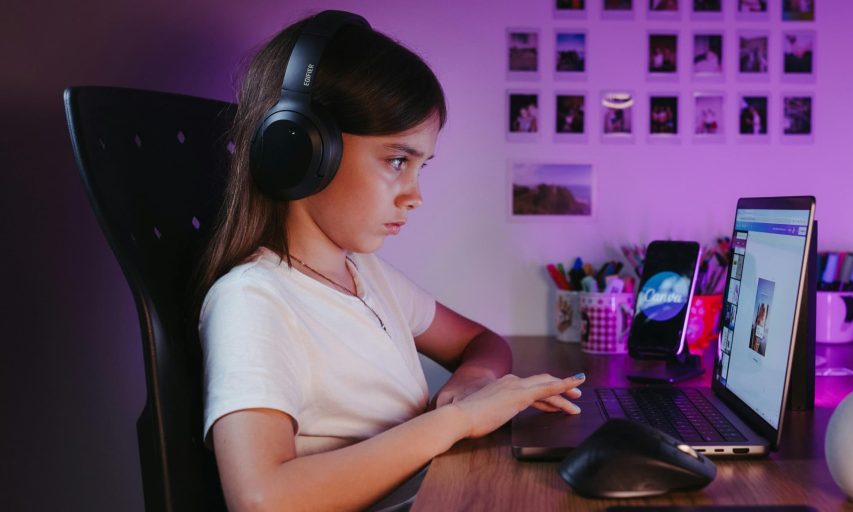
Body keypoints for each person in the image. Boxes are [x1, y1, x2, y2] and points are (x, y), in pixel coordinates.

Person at [193, 11, 585, 511]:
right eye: (397, 161)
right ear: (302, 149)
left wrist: (473, 384)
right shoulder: (254, 300)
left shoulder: (365, 275)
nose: (416, 195)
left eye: (422, 166)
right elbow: (262, 499)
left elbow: (480, 341)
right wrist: (458, 421)